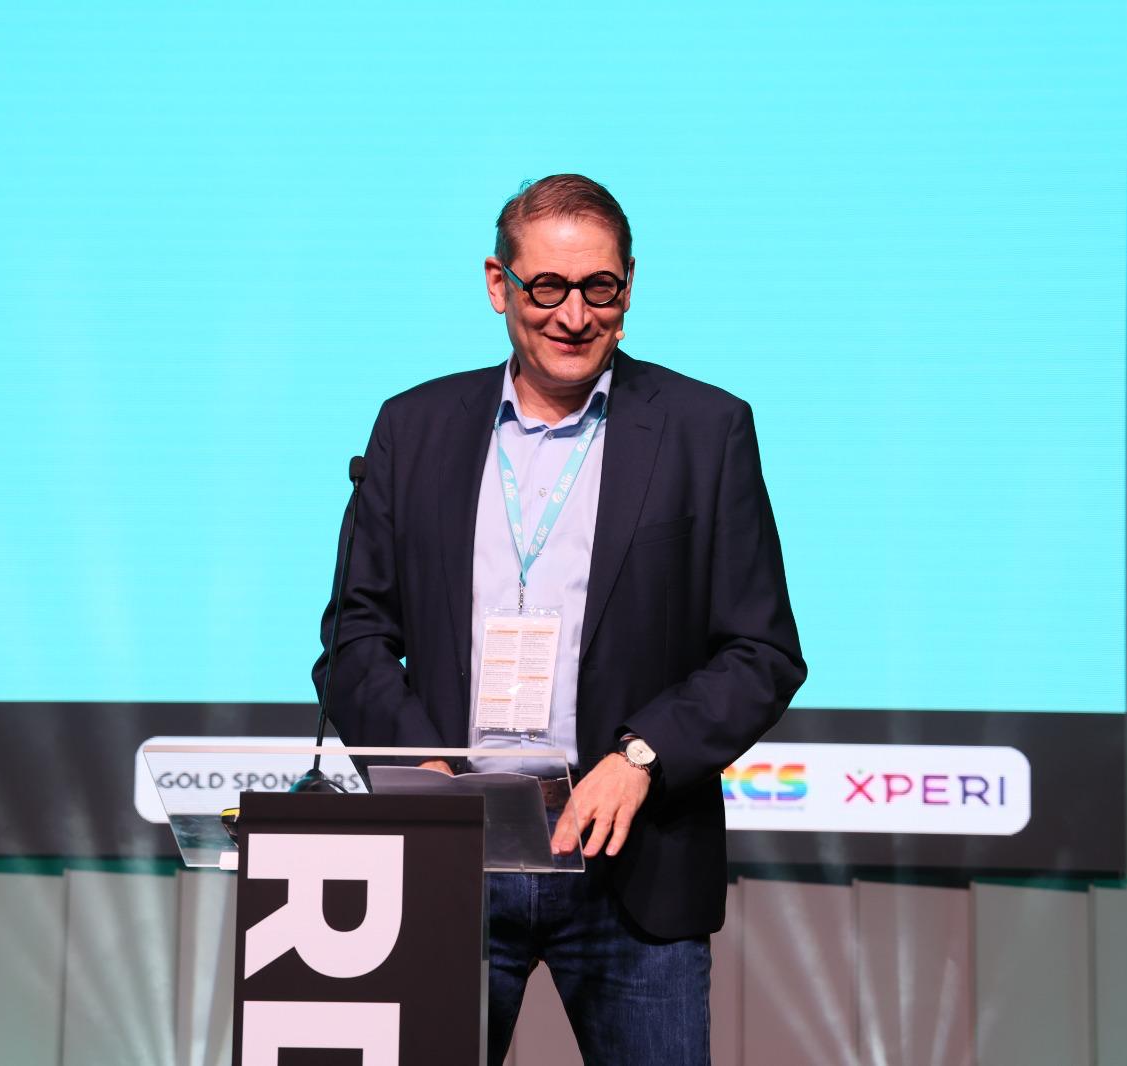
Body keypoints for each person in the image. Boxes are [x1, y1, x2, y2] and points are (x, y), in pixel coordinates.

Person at [313, 173, 805, 1064]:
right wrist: (424, 774)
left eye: (599, 288)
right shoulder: (413, 428)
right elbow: (354, 637)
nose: (574, 316)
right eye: (547, 287)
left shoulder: (706, 429)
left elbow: (760, 650)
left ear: (629, 285)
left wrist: (641, 758)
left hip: (633, 867)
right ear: (498, 285)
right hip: (451, 861)